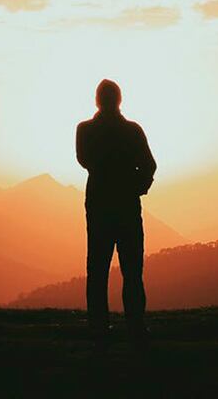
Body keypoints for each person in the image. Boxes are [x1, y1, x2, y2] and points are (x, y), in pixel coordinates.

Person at [76, 78, 157, 346]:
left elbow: (85, 160)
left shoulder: (85, 131)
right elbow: (149, 165)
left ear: (97, 101)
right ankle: (135, 325)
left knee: (98, 269)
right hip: (127, 207)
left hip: (99, 205)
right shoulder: (132, 131)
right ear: (119, 100)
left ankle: (98, 326)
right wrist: (137, 187)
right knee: (132, 270)